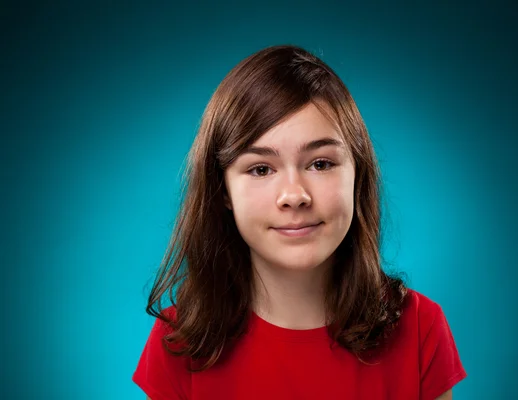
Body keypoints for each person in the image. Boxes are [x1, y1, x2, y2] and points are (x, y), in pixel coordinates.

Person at [132, 44, 467, 400]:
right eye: (260, 169)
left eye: (320, 164)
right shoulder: (180, 340)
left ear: (358, 176)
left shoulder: (419, 327)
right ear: (223, 190)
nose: (294, 195)